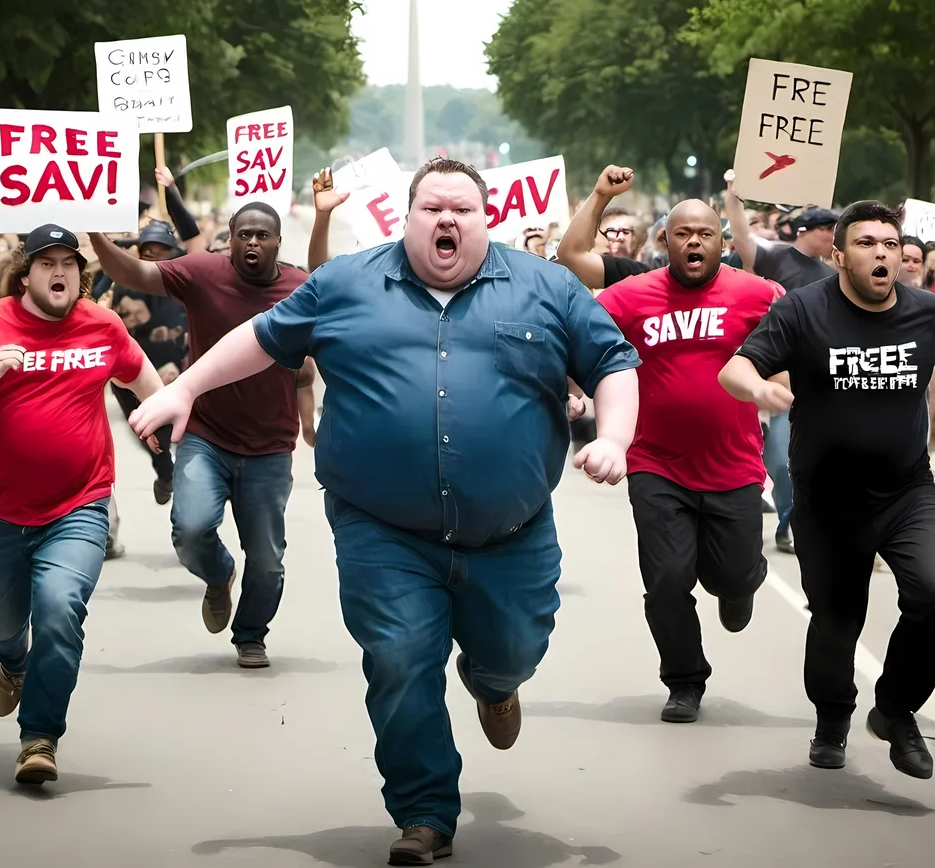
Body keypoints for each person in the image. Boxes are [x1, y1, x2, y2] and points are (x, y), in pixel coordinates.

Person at [127, 157, 641, 865]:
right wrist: (186, 389)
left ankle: (494, 684)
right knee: (399, 658)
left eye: (462, 208)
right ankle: (425, 812)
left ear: (485, 218)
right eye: (433, 208)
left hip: (511, 532)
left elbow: (613, 361)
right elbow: (263, 338)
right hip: (382, 529)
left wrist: (614, 437)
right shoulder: (346, 283)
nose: (447, 220)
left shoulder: (546, 286)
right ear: (407, 217)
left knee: (513, 651)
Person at [0, 225, 162, 785]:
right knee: (2, 623)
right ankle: (13, 662)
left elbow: (150, 386)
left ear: (81, 274)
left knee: (59, 608)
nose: (59, 271)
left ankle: (39, 736)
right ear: (26, 275)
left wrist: (174, 425)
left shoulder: (102, 325)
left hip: (80, 505)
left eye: (68, 263)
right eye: (46, 262)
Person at [719, 201, 935, 780]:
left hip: (907, 489)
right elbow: (734, 370)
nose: (882, 253)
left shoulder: (926, 314)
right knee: (839, 618)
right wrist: (759, 389)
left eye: (890, 243)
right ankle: (833, 717)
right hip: (828, 498)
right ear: (839, 256)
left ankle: (895, 710)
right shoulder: (802, 310)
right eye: (866, 243)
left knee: (933, 592)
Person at [578, 200, 780, 723]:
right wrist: (574, 387)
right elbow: (584, 340)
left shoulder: (757, 294)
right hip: (656, 463)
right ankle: (684, 680)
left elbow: (799, 342)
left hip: (733, 465)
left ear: (722, 242)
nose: (694, 242)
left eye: (705, 234)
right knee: (667, 579)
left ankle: (742, 584)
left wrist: (782, 387)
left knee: (732, 578)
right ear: (664, 242)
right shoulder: (631, 294)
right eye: (682, 233)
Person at [89, 204, 308, 670]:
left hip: (270, 447)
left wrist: (314, 418)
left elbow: (324, 346)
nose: (252, 243)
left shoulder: (299, 288)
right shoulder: (202, 272)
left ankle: (251, 635)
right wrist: (93, 229)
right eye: (243, 234)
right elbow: (133, 271)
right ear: (228, 239)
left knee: (267, 560)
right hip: (206, 437)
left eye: (262, 236)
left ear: (278, 242)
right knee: (189, 529)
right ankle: (219, 572)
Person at [725, 179, 838, 556]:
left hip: (816, 380)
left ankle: (793, 523)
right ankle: (788, 511)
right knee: (778, 459)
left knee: (813, 461)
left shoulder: (835, 277)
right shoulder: (776, 256)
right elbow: (741, 237)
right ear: (815, 231)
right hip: (771, 373)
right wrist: (733, 195)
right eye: (831, 231)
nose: (836, 238)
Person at [110, 221, 189, 513]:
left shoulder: (188, 280)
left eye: (161, 251)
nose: (155, 257)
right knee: (145, 428)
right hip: (133, 371)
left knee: (182, 437)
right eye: (148, 251)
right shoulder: (124, 281)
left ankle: (189, 502)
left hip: (182, 370)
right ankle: (165, 469)